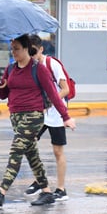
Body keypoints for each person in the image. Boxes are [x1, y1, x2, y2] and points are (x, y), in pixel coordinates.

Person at [0, 34, 76, 207]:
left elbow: (54, 95)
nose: (14, 53)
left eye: (17, 49)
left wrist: (66, 117)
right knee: (32, 155)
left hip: (33, 116)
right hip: (16, 117)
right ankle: (47, 192)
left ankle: (1, 191)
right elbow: (3, 94)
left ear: (27, 49)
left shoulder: (39, 69)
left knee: (16, 150)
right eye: (12, 49)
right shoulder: (10, 69)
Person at [25, 34, 71, 201]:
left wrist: (51, 100)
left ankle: (61, 189)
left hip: (56, 114)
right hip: (40, 113)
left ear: (41, 49)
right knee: (28, 144)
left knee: (57, 151)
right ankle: (40, 180)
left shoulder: (52, 64)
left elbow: (65, 89)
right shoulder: (30, 66)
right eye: (28, 52)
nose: (31, 56)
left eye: (34, 52)